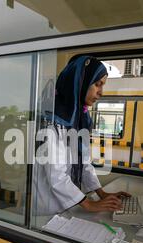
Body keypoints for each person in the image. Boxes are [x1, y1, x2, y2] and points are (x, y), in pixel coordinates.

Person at [34, 56, 131, 216]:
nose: (101, 92)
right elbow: (55, 175)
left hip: (68, 207)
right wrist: (89, 205)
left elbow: (84, 163)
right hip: (47, 210)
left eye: (103, 86)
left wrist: (101, 194)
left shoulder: (80, 119)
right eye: (97, 84)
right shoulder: (51, 119)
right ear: (79, 82)